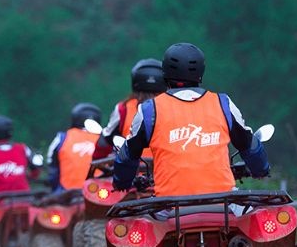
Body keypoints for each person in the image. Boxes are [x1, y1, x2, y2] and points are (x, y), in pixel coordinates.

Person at [112, 42, 269, 196]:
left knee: (135, 221)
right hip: (223, 204)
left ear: (164, 73)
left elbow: (128, 155)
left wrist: (121, 183)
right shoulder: (223, 103)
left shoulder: (148, 110)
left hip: (168, 209)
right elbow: (249, 144)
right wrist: (260, 169)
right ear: (201, 72)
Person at [99, 58, 166, 154]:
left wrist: (96, 162)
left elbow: (106, 139)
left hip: (132, 168)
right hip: (166, 168)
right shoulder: (173, 106)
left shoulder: (124, 108)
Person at [46, 103, 111, 191]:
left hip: (67, 193)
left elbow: (52, 168)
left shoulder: (62, 137)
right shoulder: (105, 138)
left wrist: (53, 187)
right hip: (99, 192)